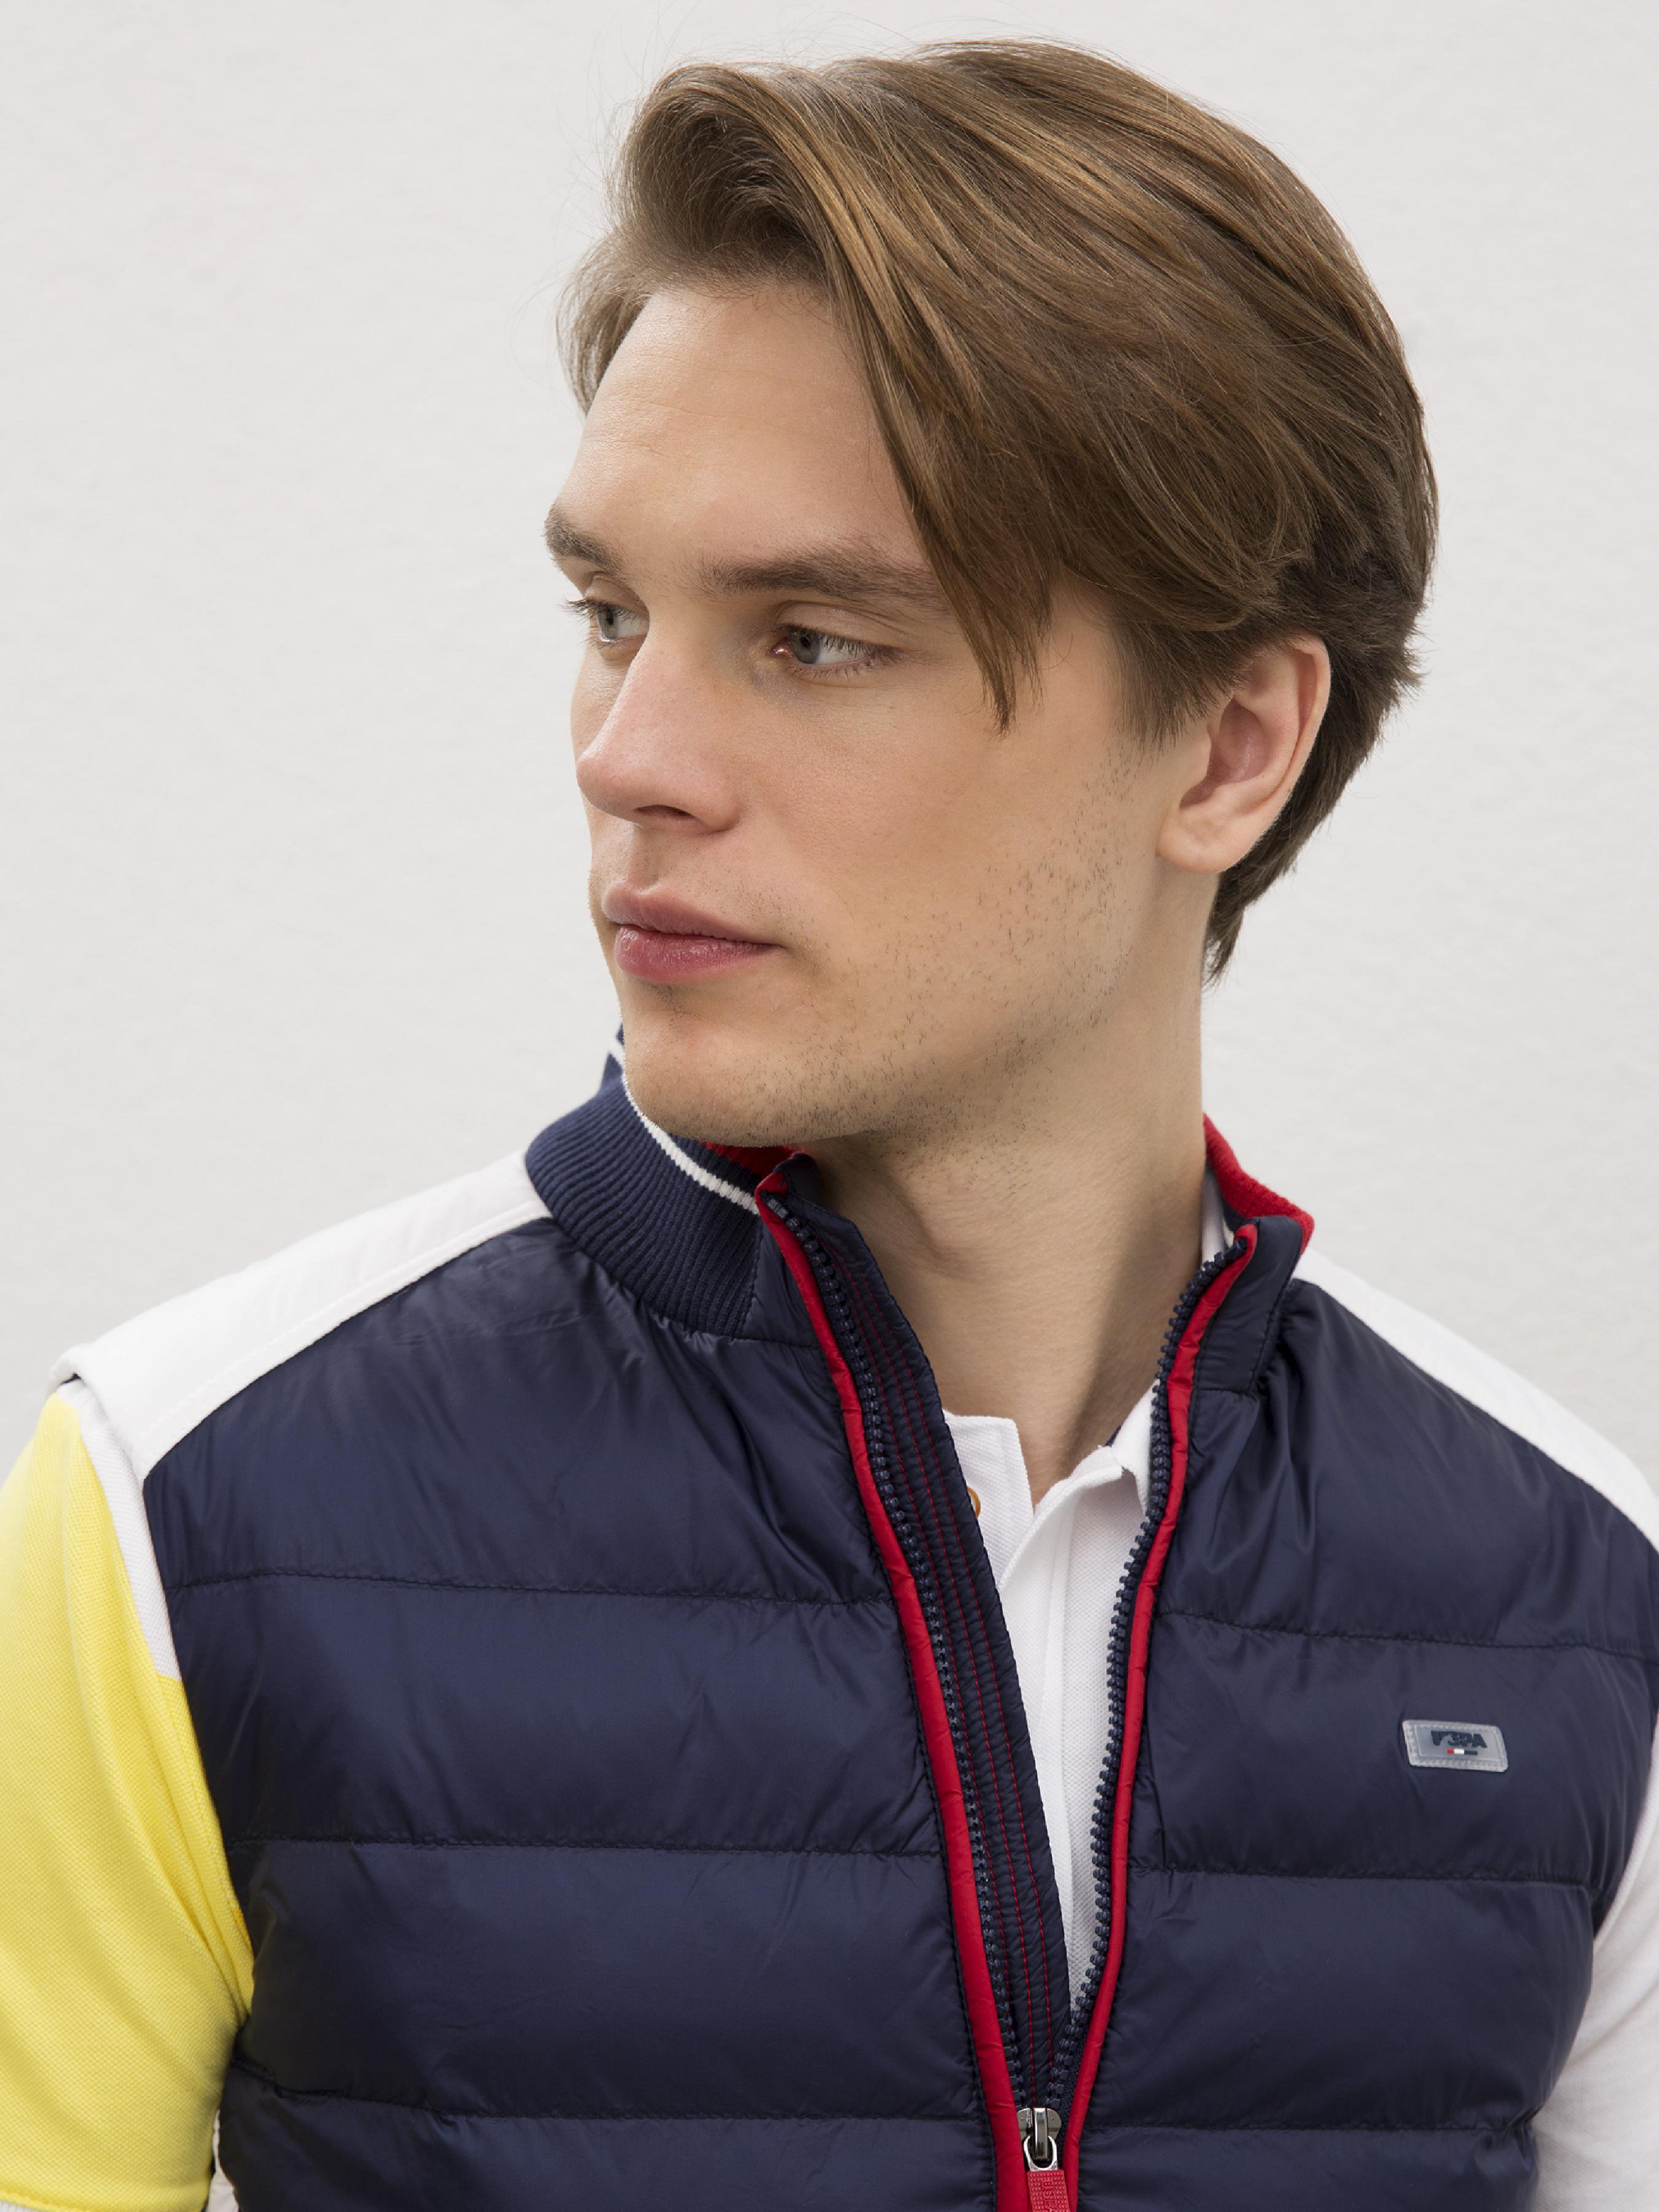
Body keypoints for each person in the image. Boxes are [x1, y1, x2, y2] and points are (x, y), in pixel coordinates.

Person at [1, 39, 1653, 2212]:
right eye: (611, 615)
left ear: (1229, 745)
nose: (628, 756)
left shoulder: (1579, 1601)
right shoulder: (183, 1504)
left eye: (809, 639)